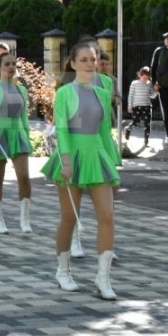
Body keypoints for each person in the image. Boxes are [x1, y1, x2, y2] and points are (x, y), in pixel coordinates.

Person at [42, 42, 119, 300]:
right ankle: (63, 271)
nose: (89, 64)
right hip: (71, 155)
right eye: (84, 60)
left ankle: (103, 278)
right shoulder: (64, 92)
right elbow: (62, 128)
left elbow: (105, 130)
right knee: (69, 217)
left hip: (96, 155)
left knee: (107, 216)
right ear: (73, 64)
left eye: (92, 59)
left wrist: (113, 165)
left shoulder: (104, 89)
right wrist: (65, 160)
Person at [0, 51, 33, 233]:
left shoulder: (21, 90)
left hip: (17, 133)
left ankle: (25, 218)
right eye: (7, 64)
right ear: (0, 67)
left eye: (13, 64)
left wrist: (27, 134)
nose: (11, 67)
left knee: (24, 177)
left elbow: (24, 116)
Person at [124, 66, 158, 146]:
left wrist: (156, 91)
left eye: (147, 78)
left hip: (147, 106)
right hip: (137, 107)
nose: (145, 80)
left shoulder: (149, 84)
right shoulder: (134, 83)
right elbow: (131, 95)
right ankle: (128, 129)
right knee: (136, 122)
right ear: (140, 75)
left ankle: (146, 141)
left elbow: (151, 95)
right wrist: (129, 106)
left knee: (147, 124)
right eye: (143, 78)